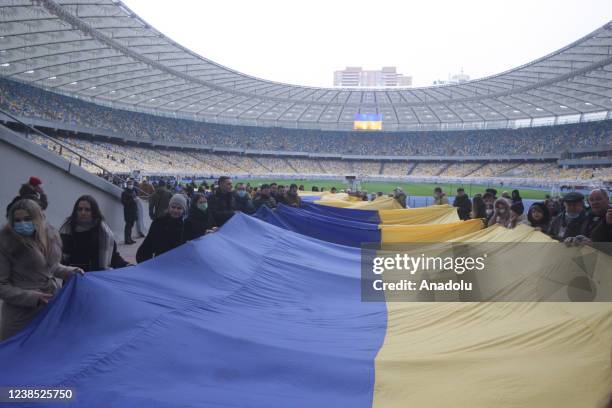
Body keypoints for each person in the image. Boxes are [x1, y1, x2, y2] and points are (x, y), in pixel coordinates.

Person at [0, 199, 83, 340]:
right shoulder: (5, 243)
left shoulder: (48, 237)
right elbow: (2, 285)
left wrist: (71, 271)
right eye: (17, 220)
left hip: (49, 309)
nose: (22, 224)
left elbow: (51, 267)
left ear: (37, 218)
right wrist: (33, 297)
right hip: (20, 316)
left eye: (27, 219)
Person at [60, 195, 129, 272]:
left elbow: (113, 257)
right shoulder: (67, 230)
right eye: (79, 209)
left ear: (94, 211)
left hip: (95, 277)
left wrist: (127, 265)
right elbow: (59, 260)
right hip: (74, 277)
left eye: (87, 210)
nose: (83, 212)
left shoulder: (103, 231)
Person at [137, 194, 187, 263]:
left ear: (183, 210)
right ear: (169, 207)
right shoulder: (158, 223)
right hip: (161, 264)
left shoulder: (186, 225)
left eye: (179, 208)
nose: (175, 210)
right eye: (173, 207)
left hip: (179, 265)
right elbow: (147, 245)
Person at [121, 179, 138, 244]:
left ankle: (130, 238)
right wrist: (133, 201)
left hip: (133, 210)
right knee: (128, 226)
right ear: (127, 185)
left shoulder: (133, 191)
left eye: (132, 184)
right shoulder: (124, 192)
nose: (131, 185)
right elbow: (123, 202)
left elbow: (134, 199)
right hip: (128, 211)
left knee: (131, 225)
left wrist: (136, 200)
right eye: (130, 184)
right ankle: (127, 240)